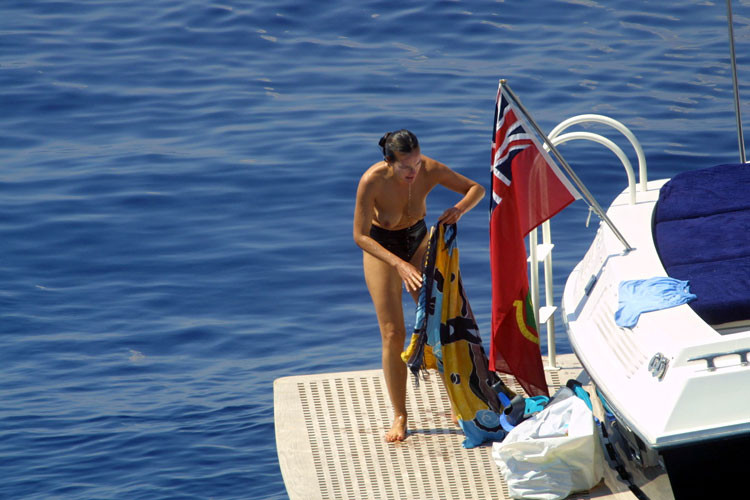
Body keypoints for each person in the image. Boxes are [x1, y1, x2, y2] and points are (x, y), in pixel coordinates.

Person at [353, 129, 485, 442]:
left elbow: (476, 189)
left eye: (416, 163)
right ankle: (400, 415)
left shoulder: (429, 169)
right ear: (388, 162)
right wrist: (399, 265)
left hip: (417, 240)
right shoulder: (371, 181)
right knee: (393, 332)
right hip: (382, 249)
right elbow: (360, 236)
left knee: (440, 323)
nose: (414, 171)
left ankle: (457, 401)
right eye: (405, 167)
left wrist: (459, 209)